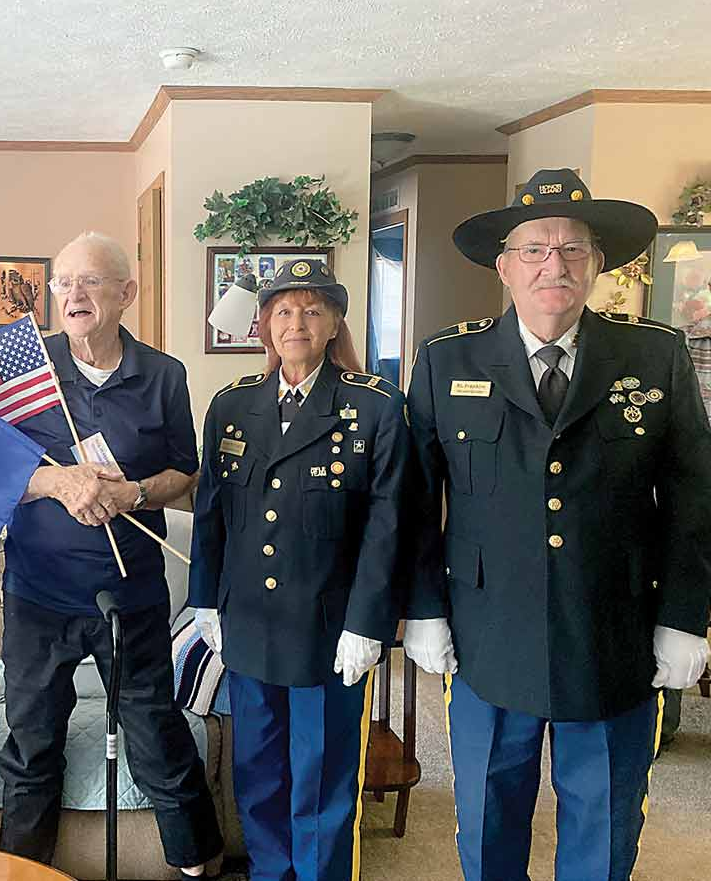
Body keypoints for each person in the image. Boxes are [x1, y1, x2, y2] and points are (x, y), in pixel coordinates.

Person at [403, 167, 711, 881]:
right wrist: (423, 610)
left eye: (574, 249)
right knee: (487, 817)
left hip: (613, 629)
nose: (555, 265)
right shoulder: (448, 358)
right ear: (505, 266)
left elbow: (694, 494)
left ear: (599, 264)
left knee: (602, 830)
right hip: (489, 631)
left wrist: (686, 617)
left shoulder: (653, 354)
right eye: (536, 249)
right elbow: (417, 499)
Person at [0, 231, 223, 873]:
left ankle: (195, 863)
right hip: (37, 594)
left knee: (154, 732)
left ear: (126, 293)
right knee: (32, 743)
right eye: (63, 282)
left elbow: (185, 474)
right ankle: (24, 873)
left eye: (90, 281)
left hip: (129, 595)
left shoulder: (164, 375)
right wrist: (58, 482)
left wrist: (133, 493)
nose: (73, 294)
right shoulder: (24, 369)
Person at [189, 259, 407, 881]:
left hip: (330, 629)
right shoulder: (233, 406)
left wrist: (369, 622)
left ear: (335, 321)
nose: (296, 322)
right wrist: (207, 601)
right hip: (251, 623)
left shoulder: (373, 407)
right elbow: (213, 514)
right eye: (282, 310)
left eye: (312, 309)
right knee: (258, 772)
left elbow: (388, 524)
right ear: (261, 325)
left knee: (322, 776)